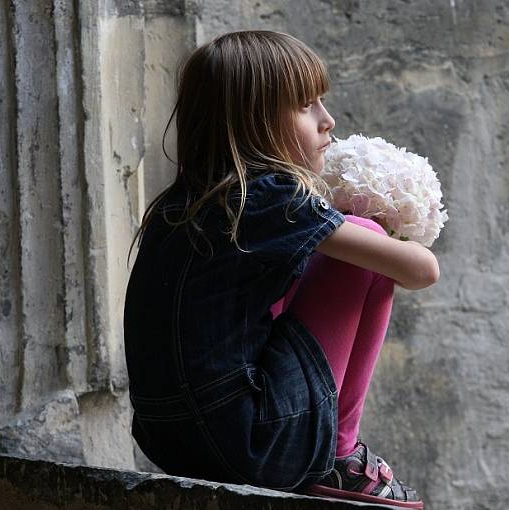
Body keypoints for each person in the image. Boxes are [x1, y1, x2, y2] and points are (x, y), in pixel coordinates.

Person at [124, 30, 438, 509]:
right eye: (306, 106)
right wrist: (376, 224)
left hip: (170, 441)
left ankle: (330, 449)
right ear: (256, 121)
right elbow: (421, 271)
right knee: (364, 237)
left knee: (313, 254)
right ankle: (341, 456)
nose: (327, 121)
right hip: (251, 443)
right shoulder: (267, 198)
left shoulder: (180, 205)